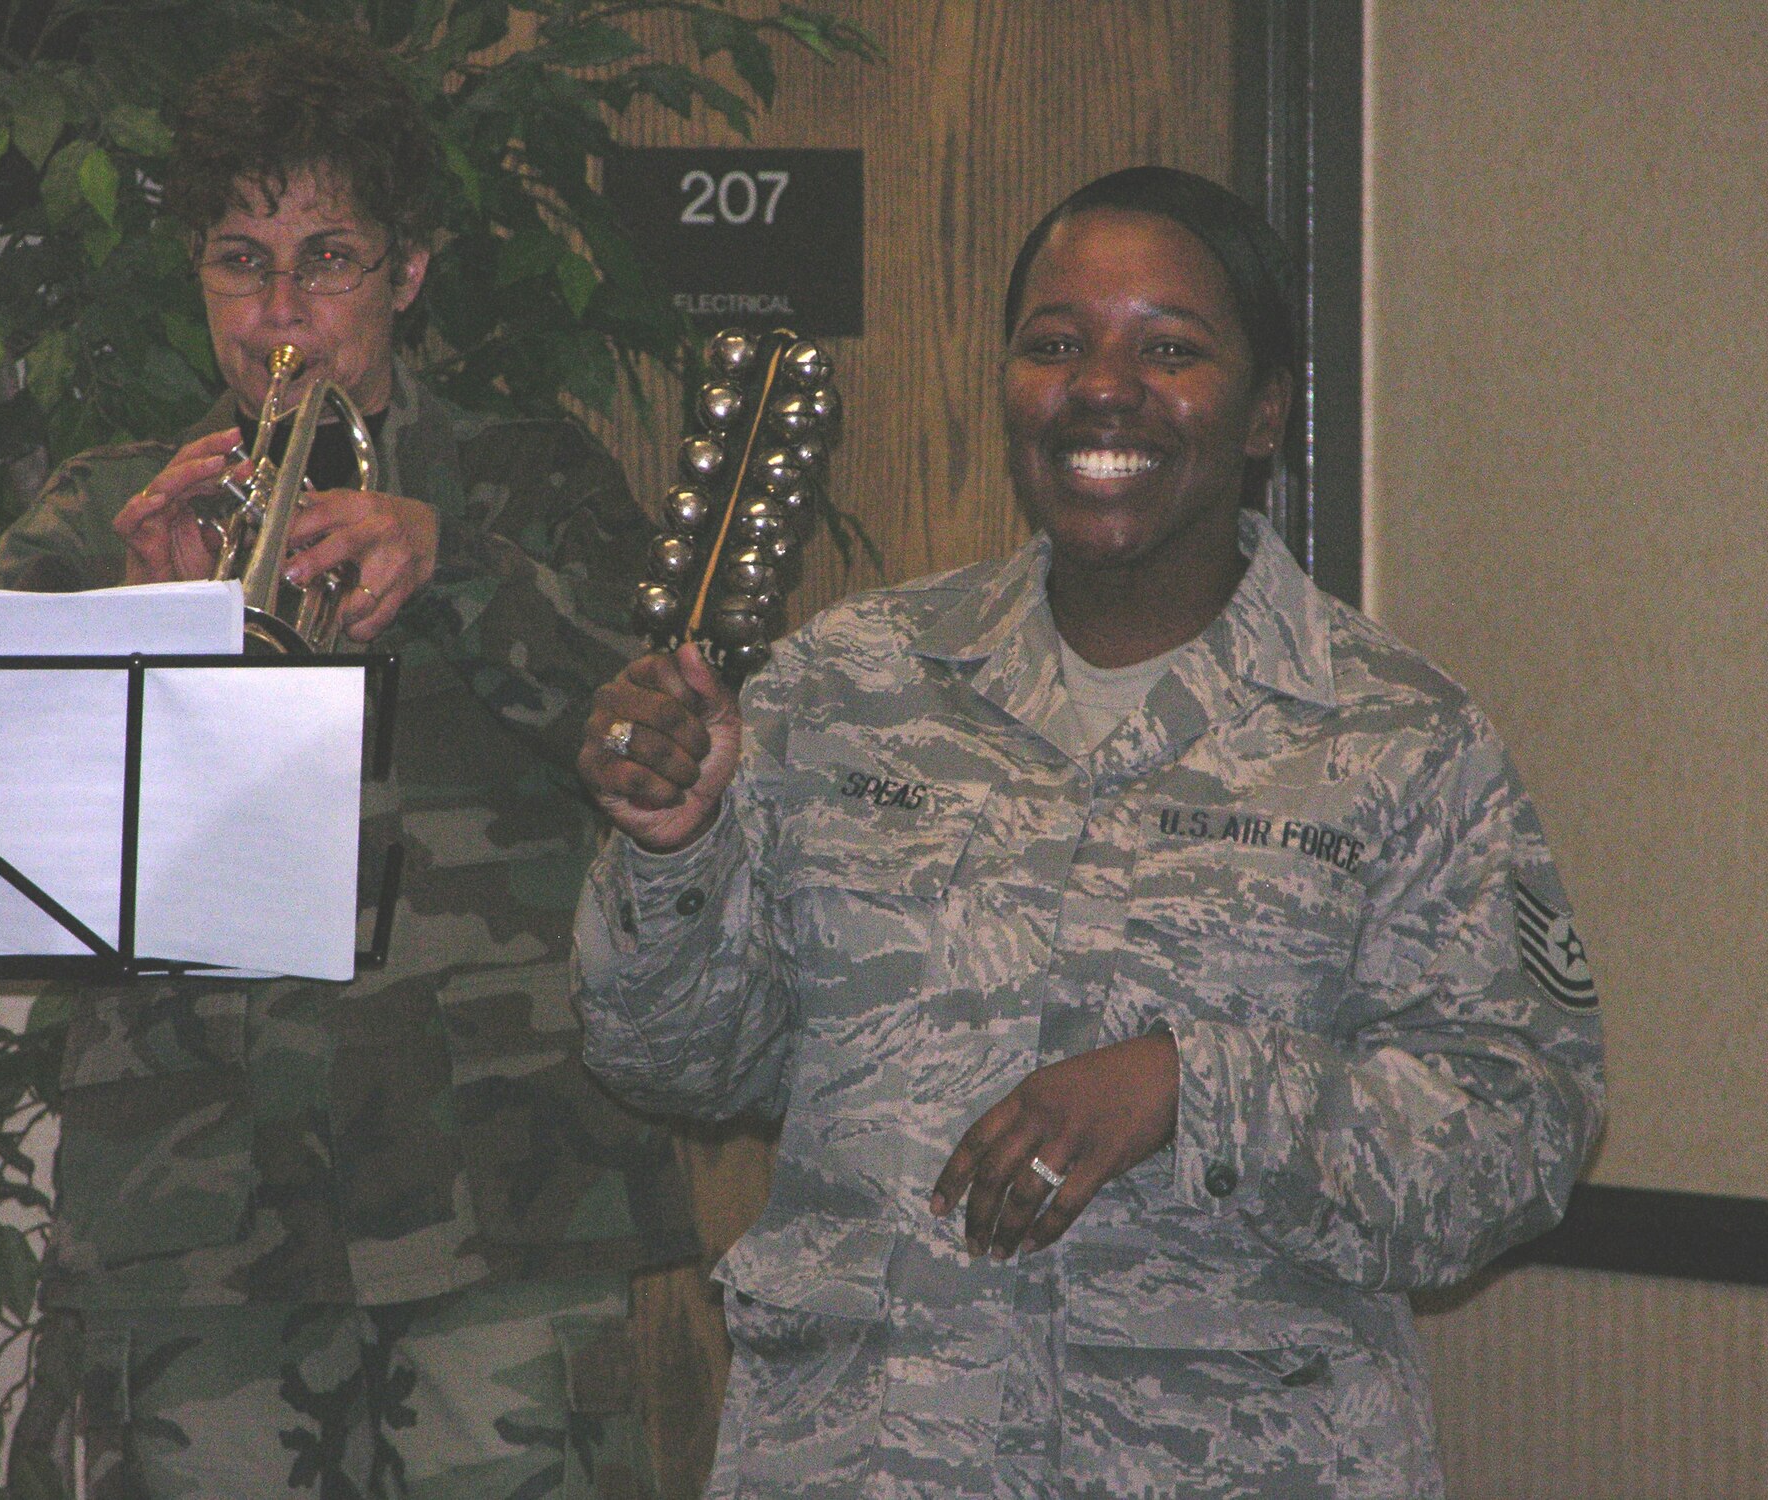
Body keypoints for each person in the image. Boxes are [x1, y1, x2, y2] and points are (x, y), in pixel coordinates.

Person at [566, 166, 1605, 1499]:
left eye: (1169, 349)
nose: (1103, 386)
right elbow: (680, 1066)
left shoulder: (1397, 736)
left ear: (1266, 412)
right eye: (1056, 344)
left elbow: (1522, 1129)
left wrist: (1196, 1085)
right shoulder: (848, 686)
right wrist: (673, 848)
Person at [0, 27, 696, 1500]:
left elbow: (667, 752)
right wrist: (147, 622)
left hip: (502, 1197)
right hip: (191, 1209)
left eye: (331, 260)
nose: (281, 313)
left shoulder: (530, 483)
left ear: (411, 272)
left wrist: (461, 564)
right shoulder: (95, 517)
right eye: (243, 261)